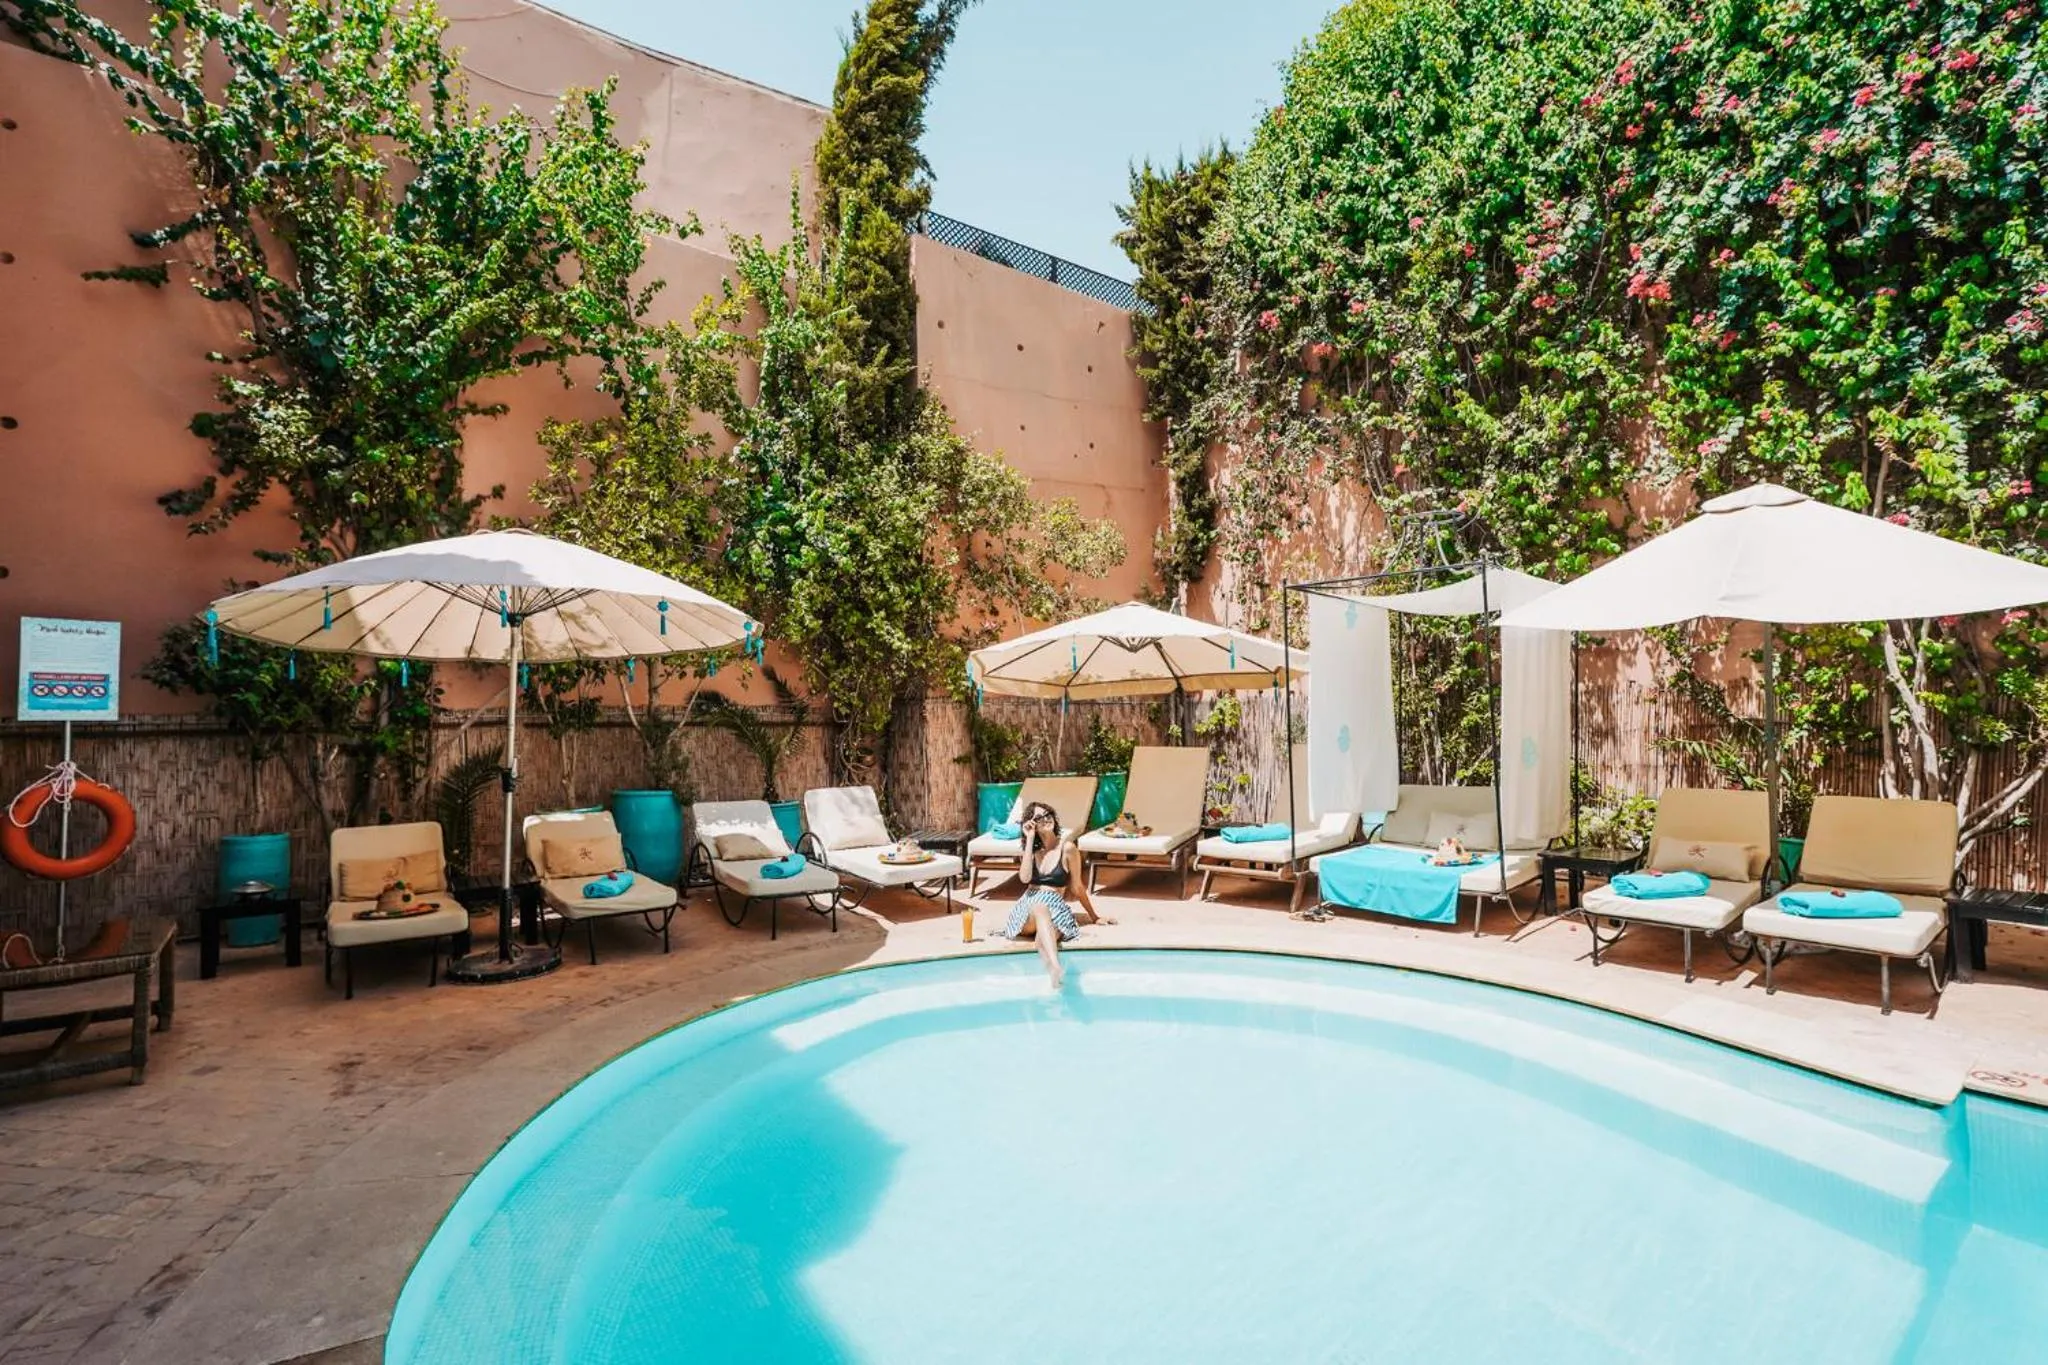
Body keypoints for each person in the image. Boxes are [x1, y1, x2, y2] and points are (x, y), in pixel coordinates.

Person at [1003, 801, 1111, 987]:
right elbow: (1024, 878)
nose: (1046, 819)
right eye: (1039, 818)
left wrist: (1094, 916)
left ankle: (1053, 975)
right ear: (1032, 824)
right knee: (1040, 906)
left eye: (1048, 814)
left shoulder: (1067, 849)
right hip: (1028, 908)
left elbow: (1077, 887)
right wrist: (1029, 839)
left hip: (1056, 908)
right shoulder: (1032, 850)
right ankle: (1055, 966)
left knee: (1044, 938)